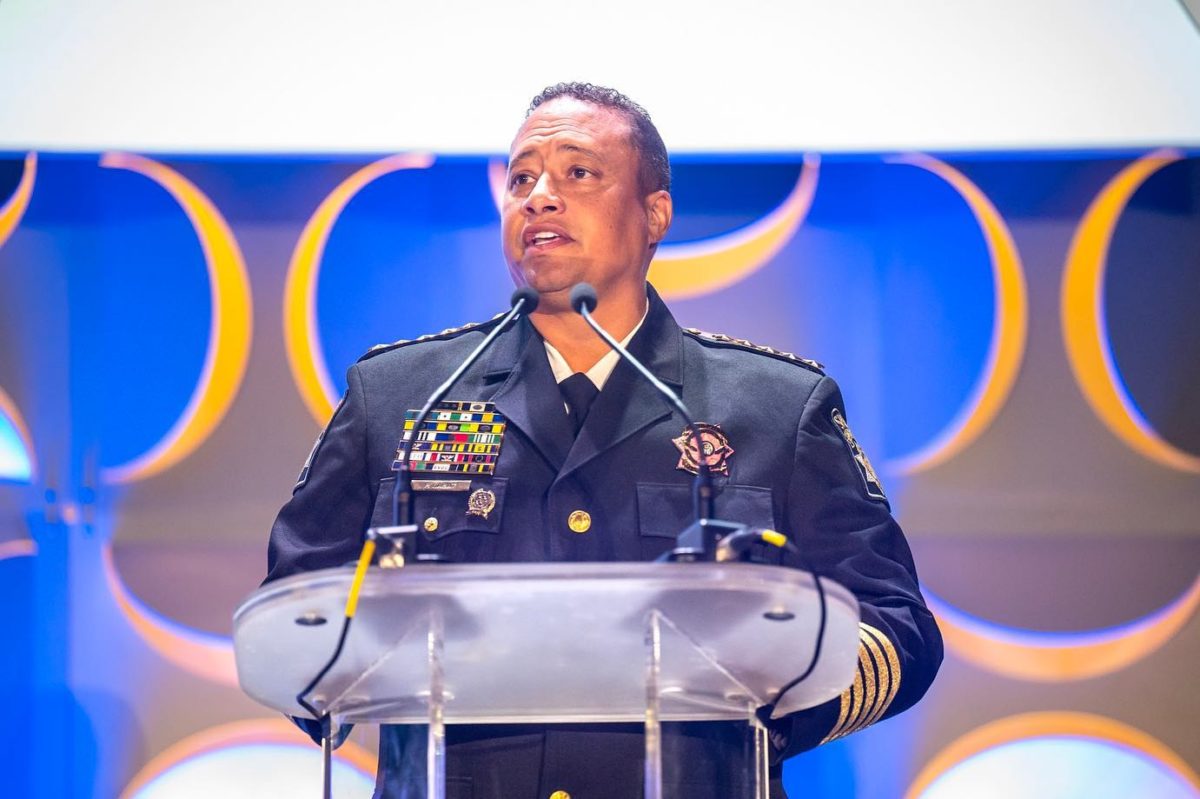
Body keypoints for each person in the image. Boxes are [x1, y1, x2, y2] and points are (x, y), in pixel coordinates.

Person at [265, 82, 942, 799]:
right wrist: (343, 682)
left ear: (655, 214)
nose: (539, 196)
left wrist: (765, 709)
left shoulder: (775, 406)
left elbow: (896, 623)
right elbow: (294, 604)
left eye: (577, 172)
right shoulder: (401, 394)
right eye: (522, 178)